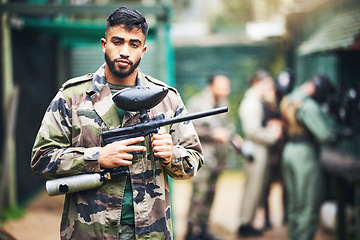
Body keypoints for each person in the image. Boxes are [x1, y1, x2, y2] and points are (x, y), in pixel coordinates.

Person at [31, 7, 204, 240]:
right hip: (91, 232)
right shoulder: (72, 96)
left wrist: (171, 154)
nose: (124, 51)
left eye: (133, 44)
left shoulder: (166, 98)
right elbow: (41, 159)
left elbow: (194, 160)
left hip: (151, 232)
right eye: (117, 41)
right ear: (104, 44)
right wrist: (96, 157)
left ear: (143, 50)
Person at [280, 74, 349, 240]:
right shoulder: (307, 105)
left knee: (295, 205)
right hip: (304, 154)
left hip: (289, 150)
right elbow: (325, 136)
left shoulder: (289, 98)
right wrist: (341, 134)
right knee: (308, 207)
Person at [184, 73, 243, 240]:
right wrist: (212, 134)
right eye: (223, 86)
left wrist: (234, 137)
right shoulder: (197, 103)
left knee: (211, 194)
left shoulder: (222, 103)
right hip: (203, 158)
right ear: (211, 85)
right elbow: (188, 129)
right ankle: (190, 231)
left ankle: (203, 229)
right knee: (198, 195)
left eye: (227, 87)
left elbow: (227, 127)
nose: (227, 90)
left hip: (218, 158)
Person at [237, 70, 283, 237]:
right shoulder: (251, 103)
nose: (269, 88)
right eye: (267, 84)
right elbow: (253, 131)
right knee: (253, 188)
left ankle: (247, 221)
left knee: (257, 188)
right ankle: (245, 223)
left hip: (259, 149)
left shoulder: (257, 101)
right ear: (257, 83)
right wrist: (273, 135)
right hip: (257, 149)